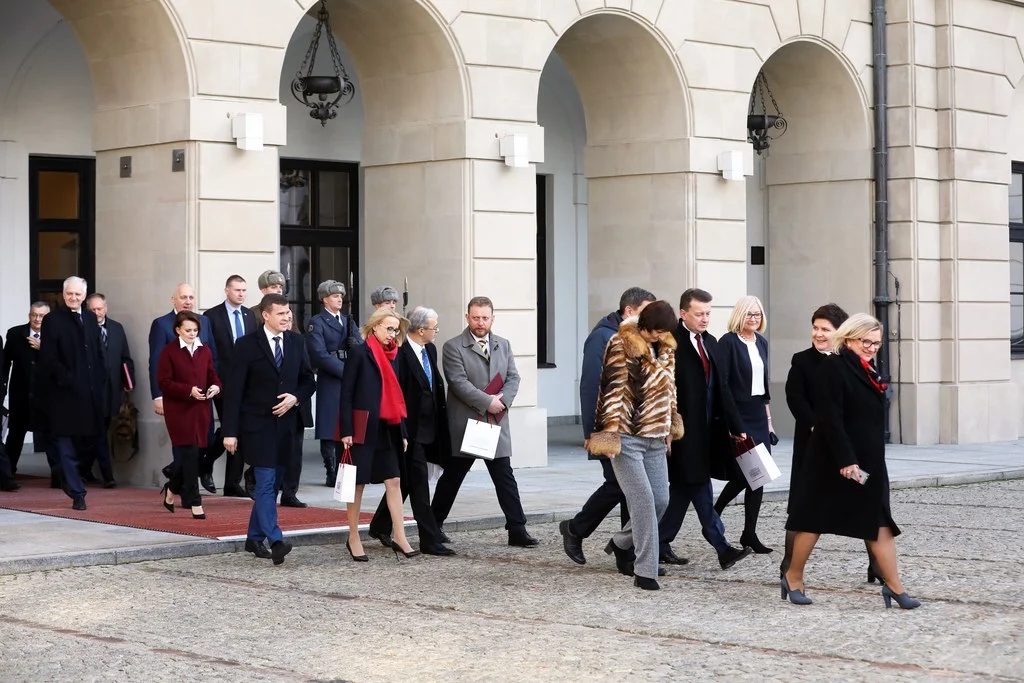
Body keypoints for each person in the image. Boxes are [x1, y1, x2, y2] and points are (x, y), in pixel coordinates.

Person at [783, 313, 921, 609]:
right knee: (813, 520)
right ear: (848, 339)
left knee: (879, 522)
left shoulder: (867, 368)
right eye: (865, 342)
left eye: (876, 343)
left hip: (868, 461)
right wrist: (846, 460)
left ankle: (895, 587)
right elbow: (830, 418)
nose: (872, 348)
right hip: (835, 460)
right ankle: (793, 576)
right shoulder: (834, 367)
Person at [588, 301, 684, 591]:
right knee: (642, 502)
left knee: (661, 500)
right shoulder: (621, 343)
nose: (657, 336)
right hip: (627, 435)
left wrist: (670, 426)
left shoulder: (666, 346)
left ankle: (620, 543)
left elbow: (670, 389)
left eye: (662, 332)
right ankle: (646, 570)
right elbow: (611, 390)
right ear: (643, 326)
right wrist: (608, 437)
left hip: (655, 435)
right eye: (654, 331)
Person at [431, 296, 538, 548]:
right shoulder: (453, 346)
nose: (480, 322)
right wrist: (487, 401)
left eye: (485, 317)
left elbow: (514, 377)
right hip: (466, 424)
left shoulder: (504, 344)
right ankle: (433, 525)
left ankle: (517, 529)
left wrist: (503, 401)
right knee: (453, 478)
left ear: (493, 318)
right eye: (476, 317)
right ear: (467, 317)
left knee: (504, 476)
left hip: (496, 421)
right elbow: (458, 382)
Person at [559, 287, 655, 565]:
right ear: (629, 311)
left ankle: (628, 551)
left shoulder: (637, 336)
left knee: (633, 489)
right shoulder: (602, 337)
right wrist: (597, 435)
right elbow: (591, 388)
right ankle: (577, 529)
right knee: (620, 485)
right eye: (645, 312)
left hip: (635, 429)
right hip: (610, 429)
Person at [658, 289, 752, 570]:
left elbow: (723, 388)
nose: (705, 318)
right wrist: (665, 429)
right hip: (681, 433)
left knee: (683, 491)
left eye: (708, 313)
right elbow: (663, 391)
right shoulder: (670, 343)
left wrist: (737, 426)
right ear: (683, 313)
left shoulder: (711, 343)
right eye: (699, 313)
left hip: (710, 431)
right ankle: (721, 546)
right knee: (698, 485)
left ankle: (642, 542)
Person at [222, 294, 315, 565]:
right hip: (256, 426)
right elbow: (234, 391)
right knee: (264, 483)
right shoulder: (246, 345)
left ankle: (253, 537)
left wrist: (295, 398)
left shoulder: (297, 342)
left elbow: (309, 381)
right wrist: (230, 431)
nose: (287, 317)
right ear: (265, 315)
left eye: (289, 313)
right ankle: (275, 540)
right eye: (281, 313)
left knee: (272, 485)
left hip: (287, 426)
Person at [781, 304, 863, 579]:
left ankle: (878, 566)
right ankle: (789, 567)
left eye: (825, 329)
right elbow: (795, 398)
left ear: (839, 332)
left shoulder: (851, 360)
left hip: (846, 446)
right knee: (802, 507)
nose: (818, 334)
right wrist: (818, 425)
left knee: (867, 501)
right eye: (815, 328)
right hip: (813, 444)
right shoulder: (801, 360)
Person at [367, 306, 455, 556]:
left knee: (406, 481)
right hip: (410, 430)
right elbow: (400, 394)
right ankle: (429, 539)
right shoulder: (402, 353)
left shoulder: (430, 349)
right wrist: (403, 430)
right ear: (420, 330)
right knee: (418, 485)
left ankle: (379, 524)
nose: (436, 331)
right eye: (433, 327)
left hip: (431, 428)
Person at [338, 307, 420, 561]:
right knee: (358, 484)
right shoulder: (360, 353)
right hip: (362, 426)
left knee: (393, 481)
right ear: (375, 327)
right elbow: (346, 393)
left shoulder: (395, 354)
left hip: (388, 427)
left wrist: (402, 431)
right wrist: (346, 430)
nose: (392, 334)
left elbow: (397, 396)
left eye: (396, 330)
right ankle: (353, 536)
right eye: (388, 328)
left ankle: (400, 536)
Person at [39, 276, 109, 511]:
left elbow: (98, 352)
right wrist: (67, 379)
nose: (73, 297)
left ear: (84, 295)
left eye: (78, 294)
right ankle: (77, 492)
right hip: (65, 394)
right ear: (63, 293)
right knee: (66, 443)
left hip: (89, 394)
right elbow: (48, 357)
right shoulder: (52, 320)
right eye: (69, 293)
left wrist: (99, 379)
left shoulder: (90, 318)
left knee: (88, 441)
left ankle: (63, 473)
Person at [712, 295, 773, 554]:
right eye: (749, 314)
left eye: (757, 314)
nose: (754, 319)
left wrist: (769, 422)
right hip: (738, 413)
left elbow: (764, 386)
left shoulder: (761, 342)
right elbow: (722, 385)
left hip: (758, 414)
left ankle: (749, 534)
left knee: (757, 477)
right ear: (739, 315)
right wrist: (734, 424)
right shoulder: (728, 342)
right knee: (743, 475)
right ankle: (713, 514)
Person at [148, 283, 219, 488]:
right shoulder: (161, 325)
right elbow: (155, 363)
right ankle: (187, 490)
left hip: (203, 399)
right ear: (174, 299)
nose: (188, 301)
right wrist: (158, 395)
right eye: (183, 297)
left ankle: (176, 475)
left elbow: (212, 357)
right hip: (178, 400)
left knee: (206, 442)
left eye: (191, 297)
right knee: (184, 445)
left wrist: (216, 384)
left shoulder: (203, 321)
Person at [157, 311, 221, 519]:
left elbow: (212, 375)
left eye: (195, 330)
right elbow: (164, 382)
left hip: (200, 409)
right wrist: (188, 390)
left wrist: (215, 387)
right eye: (188, 330)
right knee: (191, 454)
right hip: (179, 411)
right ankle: (195, 502)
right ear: (178, 330)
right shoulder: (169, 351)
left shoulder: (205, 350)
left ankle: (172, 488)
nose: (192, 334)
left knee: (194, 455)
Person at [203, 275, 258, 495]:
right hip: (223, 382)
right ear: (227, 290)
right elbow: (209, 352)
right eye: (237, 290)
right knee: (229, 428)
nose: (241, 294)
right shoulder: (211, 316)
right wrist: (213, 380)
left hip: (247, 383)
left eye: (244, 290)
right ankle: (206, 464)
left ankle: (231, 483)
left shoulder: (249, 316)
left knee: (240, 430)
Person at [306, 279, 360, 487]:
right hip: (332, 377)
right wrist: (346, 370)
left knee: (348, 423)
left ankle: (346, 468)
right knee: (329, 426)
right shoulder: (317, 322)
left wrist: (355, 346)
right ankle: (330, 469)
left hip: (348, 375)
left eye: (340, 296)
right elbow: (319, 355)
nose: (339, 299)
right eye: (335, 296)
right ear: (324, 299)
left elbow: (360, 344)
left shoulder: (347, 321)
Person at [78, 293, 135, 488]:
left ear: (106, 308)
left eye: (99, 309)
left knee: (98, 432)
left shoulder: (117, 328)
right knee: (100, 433)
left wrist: (129, 382)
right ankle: (107, 475)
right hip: (90, 392)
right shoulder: (82, 329)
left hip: (112, 392)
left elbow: (125, 358)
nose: (96, 313)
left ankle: (82, 469)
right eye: (92, 310)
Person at [2, 302, 60, 485]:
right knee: (16, 436)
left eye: (42, 316)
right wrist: (3, 390)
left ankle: (59, 478)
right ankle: (7, 476)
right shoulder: (15, 334)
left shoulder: (56, 337)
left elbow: (64, 362)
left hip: (47, 396)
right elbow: (5, 365)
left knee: (51, 437)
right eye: (34, 315)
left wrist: (44, 348)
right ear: (29, 315)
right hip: (21, 394)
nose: (37, 319)